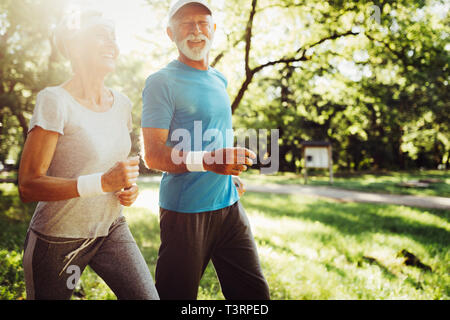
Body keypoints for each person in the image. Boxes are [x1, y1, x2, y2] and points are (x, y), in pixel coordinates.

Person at [18, 11, 159, 300]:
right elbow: (28, 185)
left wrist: (126, 187)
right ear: (74, 45)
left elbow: (110, 169)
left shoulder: (122, 104)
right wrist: (102, 183)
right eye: (101, 35)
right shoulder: (54, 101)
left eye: (114, 37)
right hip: (57, 239)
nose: (112, 44)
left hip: (111, 229)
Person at [141, 0, 270, 300]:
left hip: (229, 207)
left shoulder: (218, 79)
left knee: (254, 296)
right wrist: (209, 162)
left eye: (202, 23)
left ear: (213, 30)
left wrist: (226, 175)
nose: (195, 30)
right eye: (186, 23)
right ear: (170, 33)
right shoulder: (161, 82)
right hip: (185, 213)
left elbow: (213, 137)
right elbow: (154, 154)